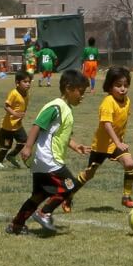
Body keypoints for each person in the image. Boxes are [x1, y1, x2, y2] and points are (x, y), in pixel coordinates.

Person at [5, 70, 90, 234]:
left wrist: (76, 146)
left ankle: (16, 225)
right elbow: (37, 125)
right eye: (80, 91)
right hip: (49, 159)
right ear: (68, 88)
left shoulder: (66, 109)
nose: (82, 96)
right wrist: (28, 146)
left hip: (44, 161)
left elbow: (61, 136)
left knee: (39, 195)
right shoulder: (56, 106)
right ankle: (44, 213)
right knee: (70, 186)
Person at [66, 66, 133, 212]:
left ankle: (126, 197)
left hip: (117, 145)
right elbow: (107, 125)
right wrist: (117, 141)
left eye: (125, 85)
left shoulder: (127, 101)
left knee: (129, 164)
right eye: (118, 86)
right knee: (89, 174)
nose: (122, 89)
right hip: (101, 146)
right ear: (110, 87)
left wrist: (119, 142)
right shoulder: (108, 102)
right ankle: (68, 195)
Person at [0, 71, 32, 170]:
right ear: (17, 83)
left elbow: (24, 108)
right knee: (6, 146)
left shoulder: (27, 94)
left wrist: (20, 118)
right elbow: (6, 106)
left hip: (17, 125)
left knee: (24, 141)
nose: (28, 84)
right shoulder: (14, 93)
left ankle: (11, 156)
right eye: (25, 82)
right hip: (7, 126)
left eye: (29, 81)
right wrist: (15, 114)